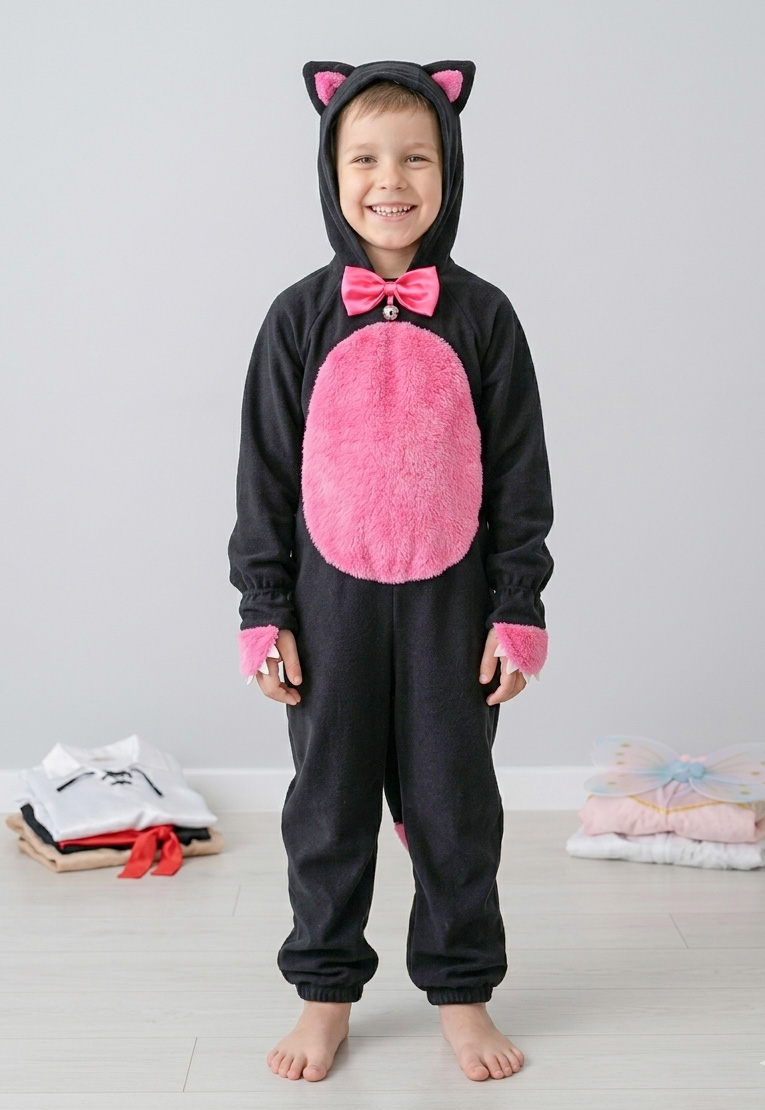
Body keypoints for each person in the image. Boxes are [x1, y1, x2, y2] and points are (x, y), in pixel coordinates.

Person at [227, 58, 554, 1084]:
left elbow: (520, 474)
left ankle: (462, 993)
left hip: (453, 608)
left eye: (416, 158)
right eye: (364, 159)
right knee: (326, 805)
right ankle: (324, 992)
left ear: (449, 167)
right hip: (327, 609)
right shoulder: (297, 317)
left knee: (455, 805)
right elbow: (264, 474)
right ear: (331, 174)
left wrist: (517, 607)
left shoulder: (485, 316)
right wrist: (264, 607)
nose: (390, 180)